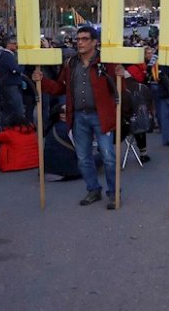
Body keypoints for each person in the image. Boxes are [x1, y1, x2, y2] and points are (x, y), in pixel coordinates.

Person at [32, 26, 123, 210]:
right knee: (83, 157)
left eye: (84, 39)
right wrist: (42, 81)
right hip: (79, 116)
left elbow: (120, 88)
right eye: (78, 39)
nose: (79, 42)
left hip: (101, 115)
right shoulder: (71, 63)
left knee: (108, 156)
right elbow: (60, 88)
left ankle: (114, 193)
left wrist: (122, 75)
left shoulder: (106, 62)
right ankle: (93, 189)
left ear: (94, 42)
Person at [0, 37, 26, 126]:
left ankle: (5, 127)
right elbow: (16, 69)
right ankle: (18, 127)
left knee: (8, 109)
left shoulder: (6, 55)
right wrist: (22, 65)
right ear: (8, 44)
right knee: (18, 108)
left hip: (7, 85)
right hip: (11, 85)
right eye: (14, 43)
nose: (16, 45)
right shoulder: (7, 56)